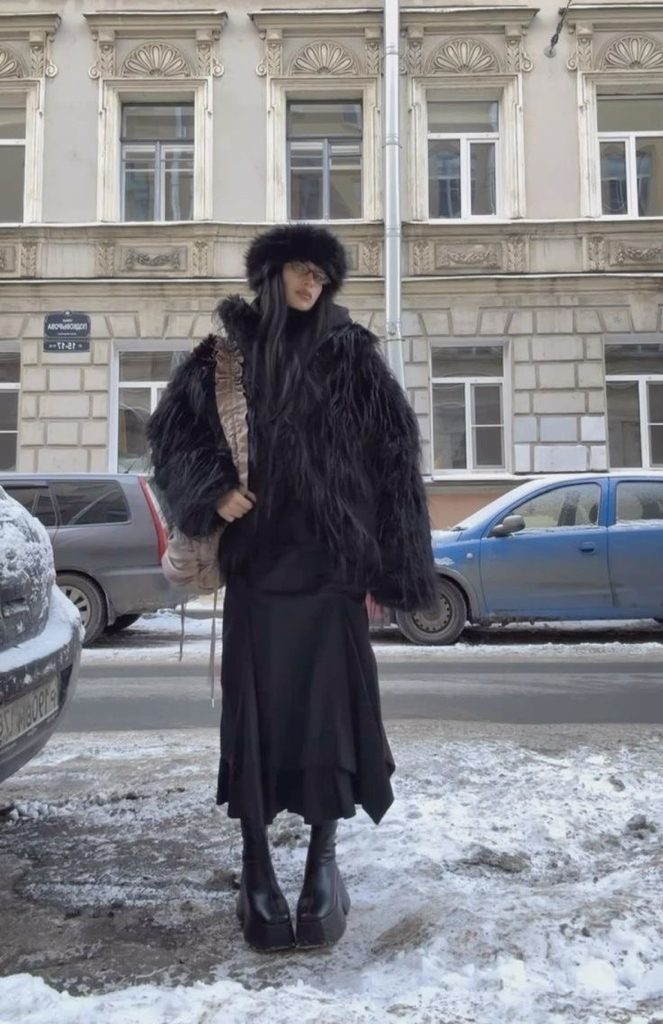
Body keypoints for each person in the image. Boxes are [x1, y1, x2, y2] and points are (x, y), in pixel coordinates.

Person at [147, 224, 437, 952]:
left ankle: (320, 863)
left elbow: (395, 456)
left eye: (321, 275)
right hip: (259, 570)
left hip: (332, 573)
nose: (312, 285)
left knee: (328, 719)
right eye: (300, 271)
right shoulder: (223, 356)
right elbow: (171, 439)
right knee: (257, 717)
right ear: (270, 275)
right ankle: (256, 867)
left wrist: (396, 562)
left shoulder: (351, 352)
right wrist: (211, 490)